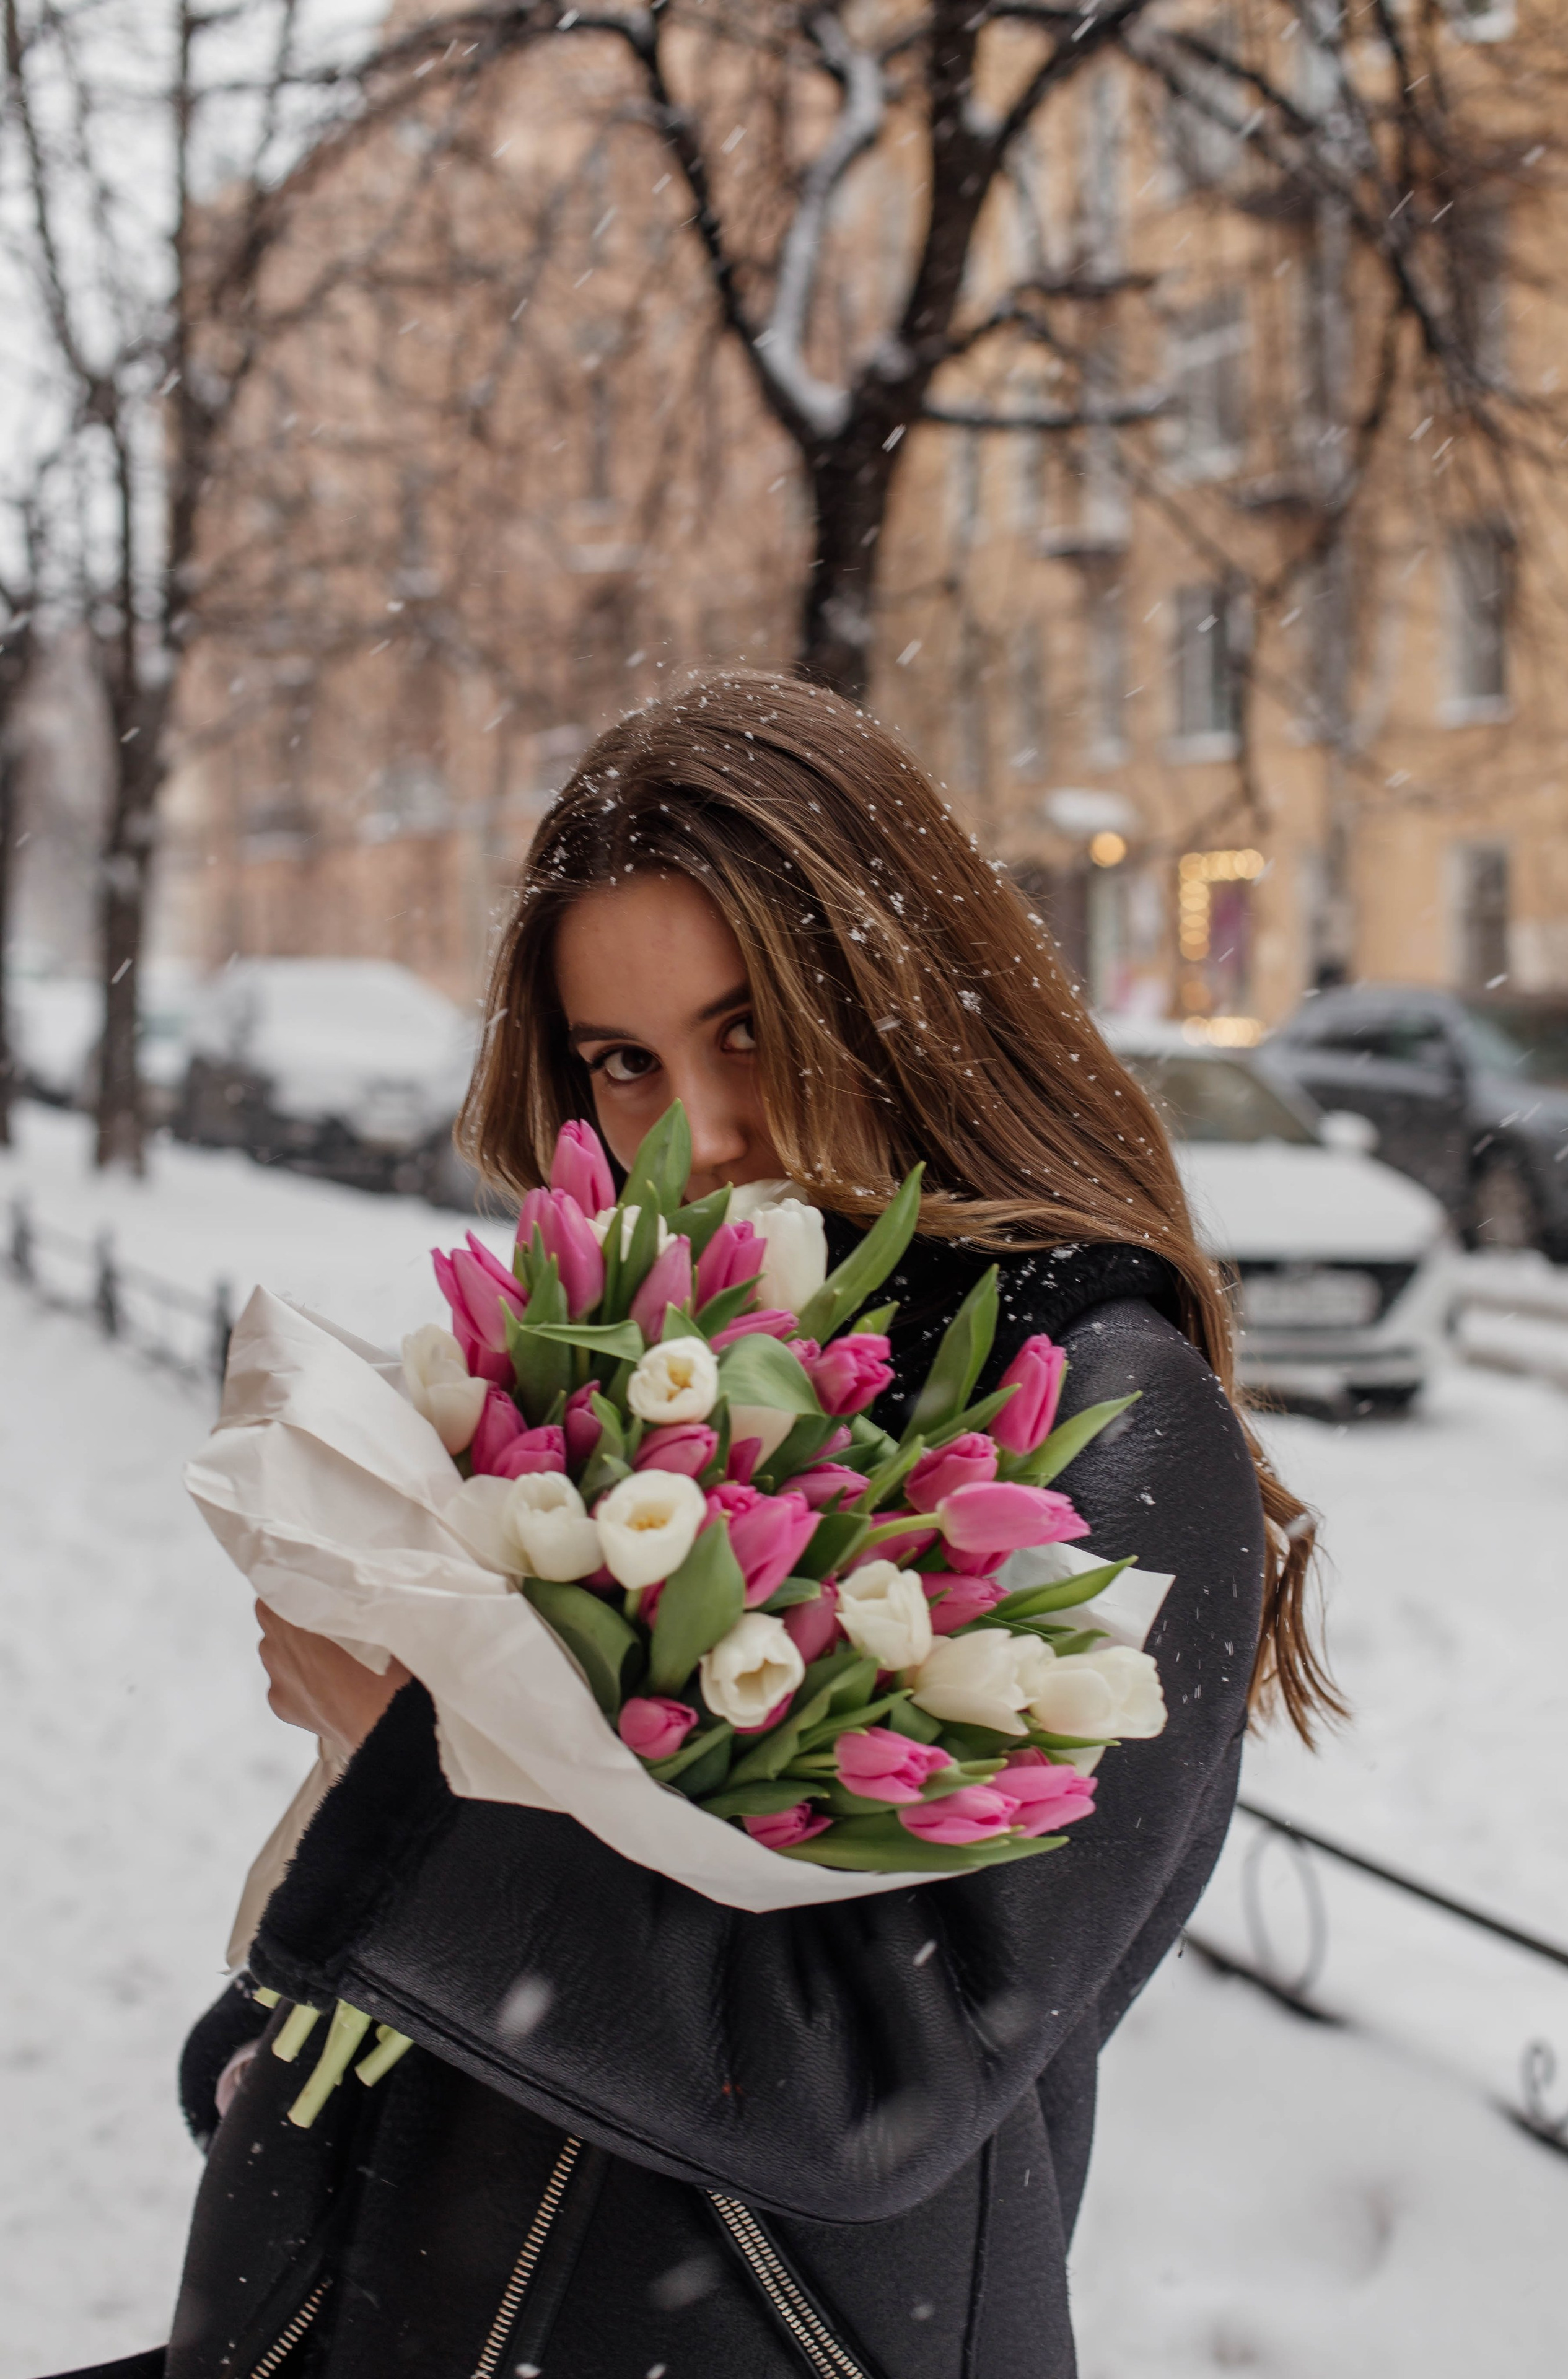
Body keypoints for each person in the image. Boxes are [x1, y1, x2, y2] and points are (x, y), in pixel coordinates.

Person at [103, 671, 1334, 2379]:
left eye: (748, 1026)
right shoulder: (651, 1354)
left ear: (905, 996)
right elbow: (577, 1843)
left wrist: (402, 1784)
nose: (696, 1127)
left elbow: (869, 2080)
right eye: (624, 1060)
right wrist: (290, 2038)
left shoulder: (1099, 1414)